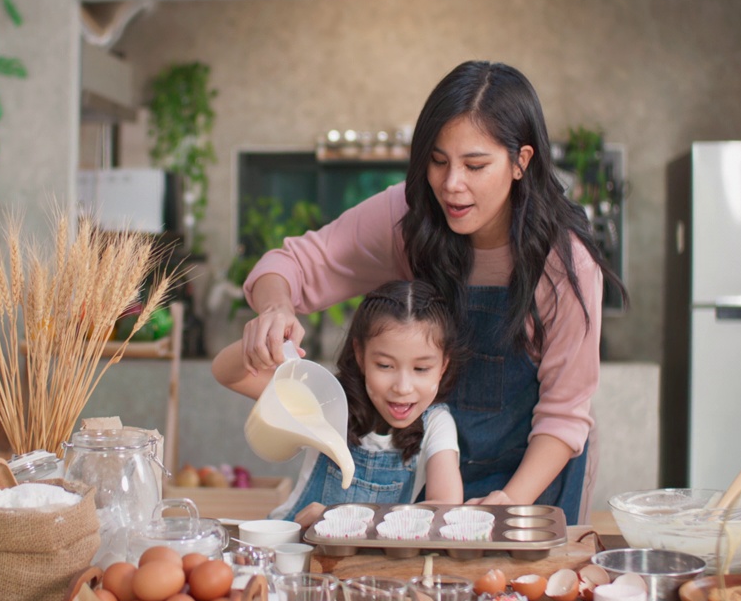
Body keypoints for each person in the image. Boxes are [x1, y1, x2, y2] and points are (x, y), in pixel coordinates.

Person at [238, 61, 626, 524]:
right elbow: (289, 265)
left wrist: (507, 501)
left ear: (522, 161)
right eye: (438, 161)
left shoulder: (566, 264)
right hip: (434, 475)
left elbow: (563, 416)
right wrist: (277, 305)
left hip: (534, 478)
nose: (450, 185)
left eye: (475, 165)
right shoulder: (407, 217)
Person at [213, 279, 464, 524]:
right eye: (385, 365)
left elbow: (445, 508)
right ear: (360, 354)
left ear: (443, 365)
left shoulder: (435, 424)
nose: (402, 387)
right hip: (291, 544)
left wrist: (339, 518)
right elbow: (227, 374)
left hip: (360, 563)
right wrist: (264, 337)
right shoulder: (325, 400)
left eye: (421, 368)